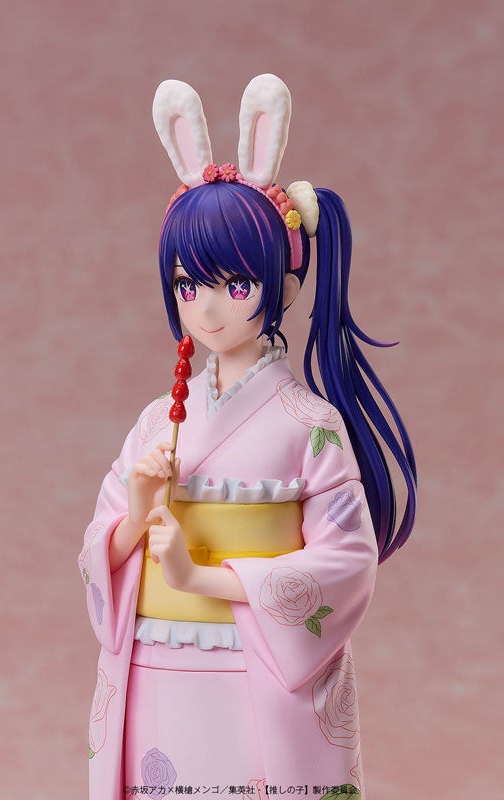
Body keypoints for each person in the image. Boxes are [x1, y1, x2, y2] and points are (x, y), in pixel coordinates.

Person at [79, 75, 416, 800]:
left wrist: (202, 578)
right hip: (158, 672)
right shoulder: (155, 421)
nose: (205, 309)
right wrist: (134, 516)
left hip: (256, 672)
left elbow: (346, 563)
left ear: (282, 285)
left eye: (235, 286)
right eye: (187, 285)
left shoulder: (309, 425)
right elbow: (100, 551)